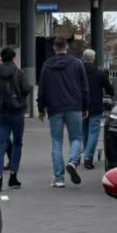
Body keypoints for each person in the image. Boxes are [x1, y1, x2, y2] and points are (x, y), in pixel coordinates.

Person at [37, 37, 88, 188]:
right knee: (76, 138)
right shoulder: (77, 64)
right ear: (67, 47)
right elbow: (84, 88)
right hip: (74, 106)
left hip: (54, 108)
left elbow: (42, 88)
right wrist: (85, 107)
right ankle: (73, 161)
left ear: (54, 48)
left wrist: (41, 109)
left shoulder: (47, 65)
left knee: (56, 142)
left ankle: (59, 179)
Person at [0, 47, 31, 191]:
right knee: (17, 143)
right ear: (14, 58)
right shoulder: (19, 73)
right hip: (17, 112)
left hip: (0, 113)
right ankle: (13, 177)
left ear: (1, 59)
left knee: (0, 145)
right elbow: (26, 89)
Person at [80, 49, 114, 170]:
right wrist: (110, 94)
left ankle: (86, 154)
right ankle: (88, 157)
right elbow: (109, 88)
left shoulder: (78, 72)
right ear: (93, 59)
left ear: (83, 58)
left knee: (85, 131)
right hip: (95, 106)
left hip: (81, 106)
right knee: (93, 132)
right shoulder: (99, 73)